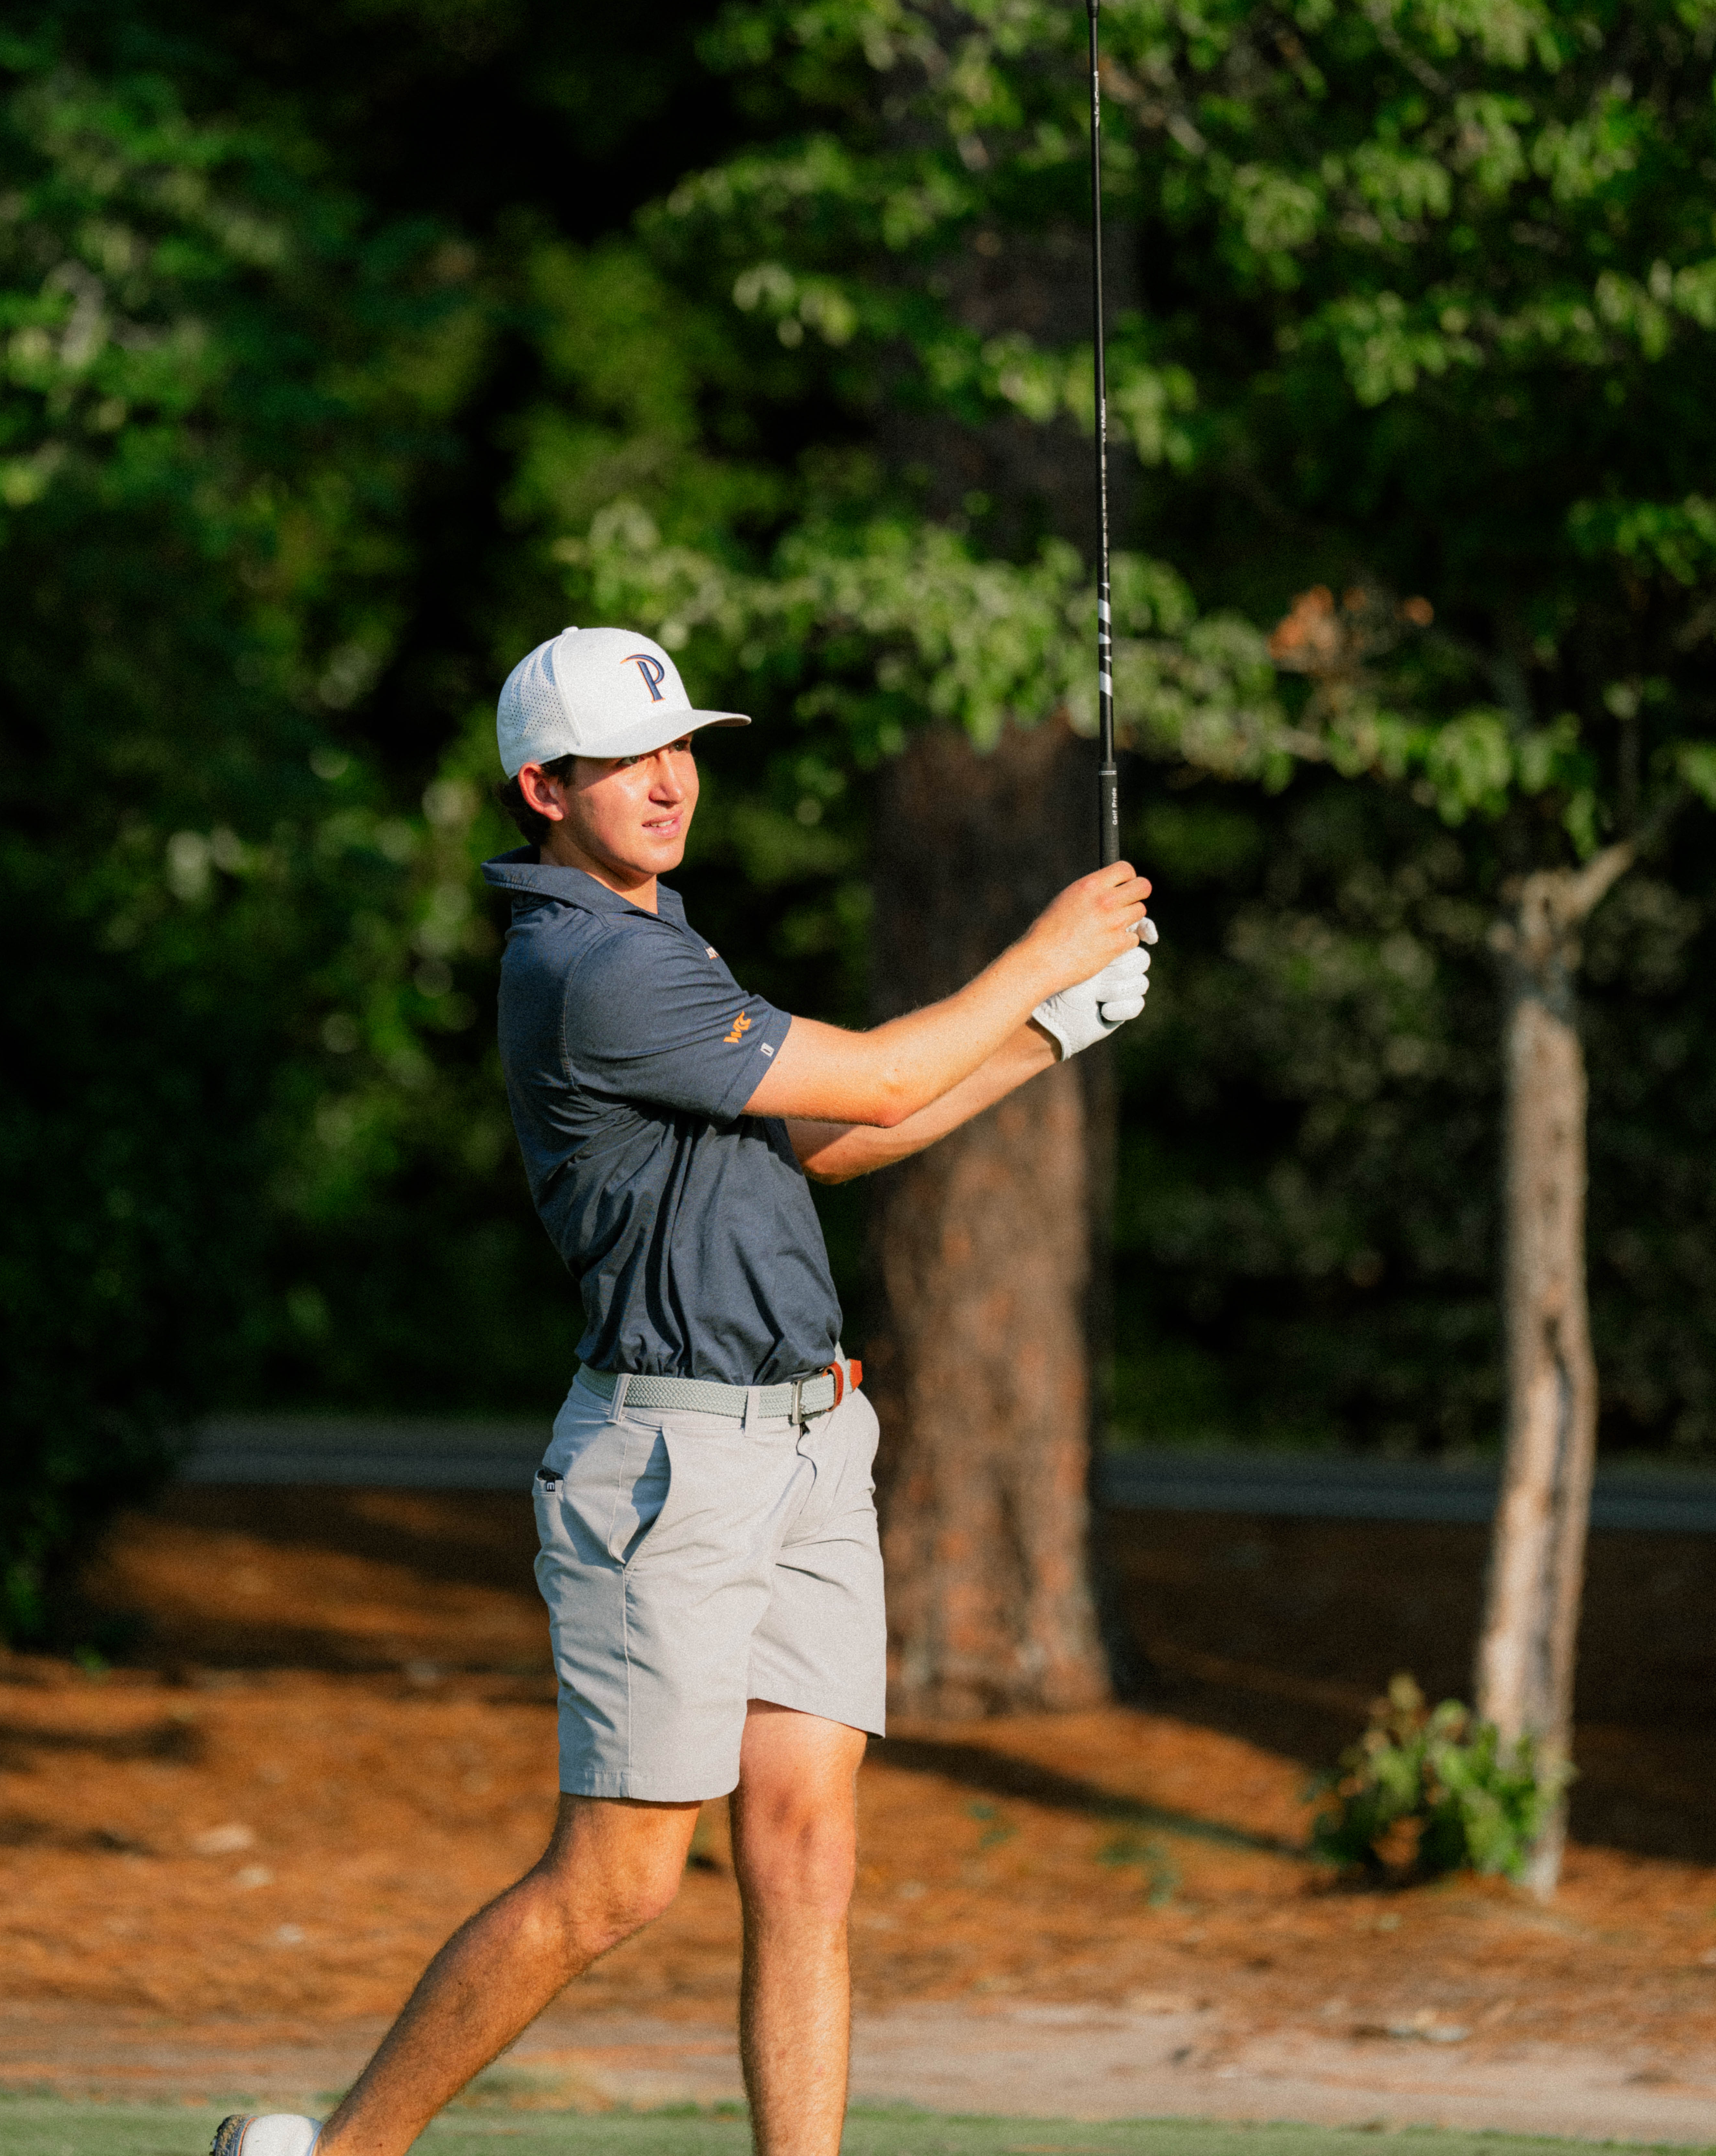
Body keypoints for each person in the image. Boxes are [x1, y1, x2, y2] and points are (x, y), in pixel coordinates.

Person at [211, 625, 1153, 2156]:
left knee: (805, 1851)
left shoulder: (662, 944)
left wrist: (1049, 1034)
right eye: (621, 761)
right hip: (672, 1470)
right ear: (542, 788)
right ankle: (344, 2152)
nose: (666, 780)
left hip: (808, 1447)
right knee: (620, 1885)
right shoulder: (589, 965)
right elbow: (891, 1076)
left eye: (678, 748)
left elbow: (846, 1135)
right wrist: (1047, 956)